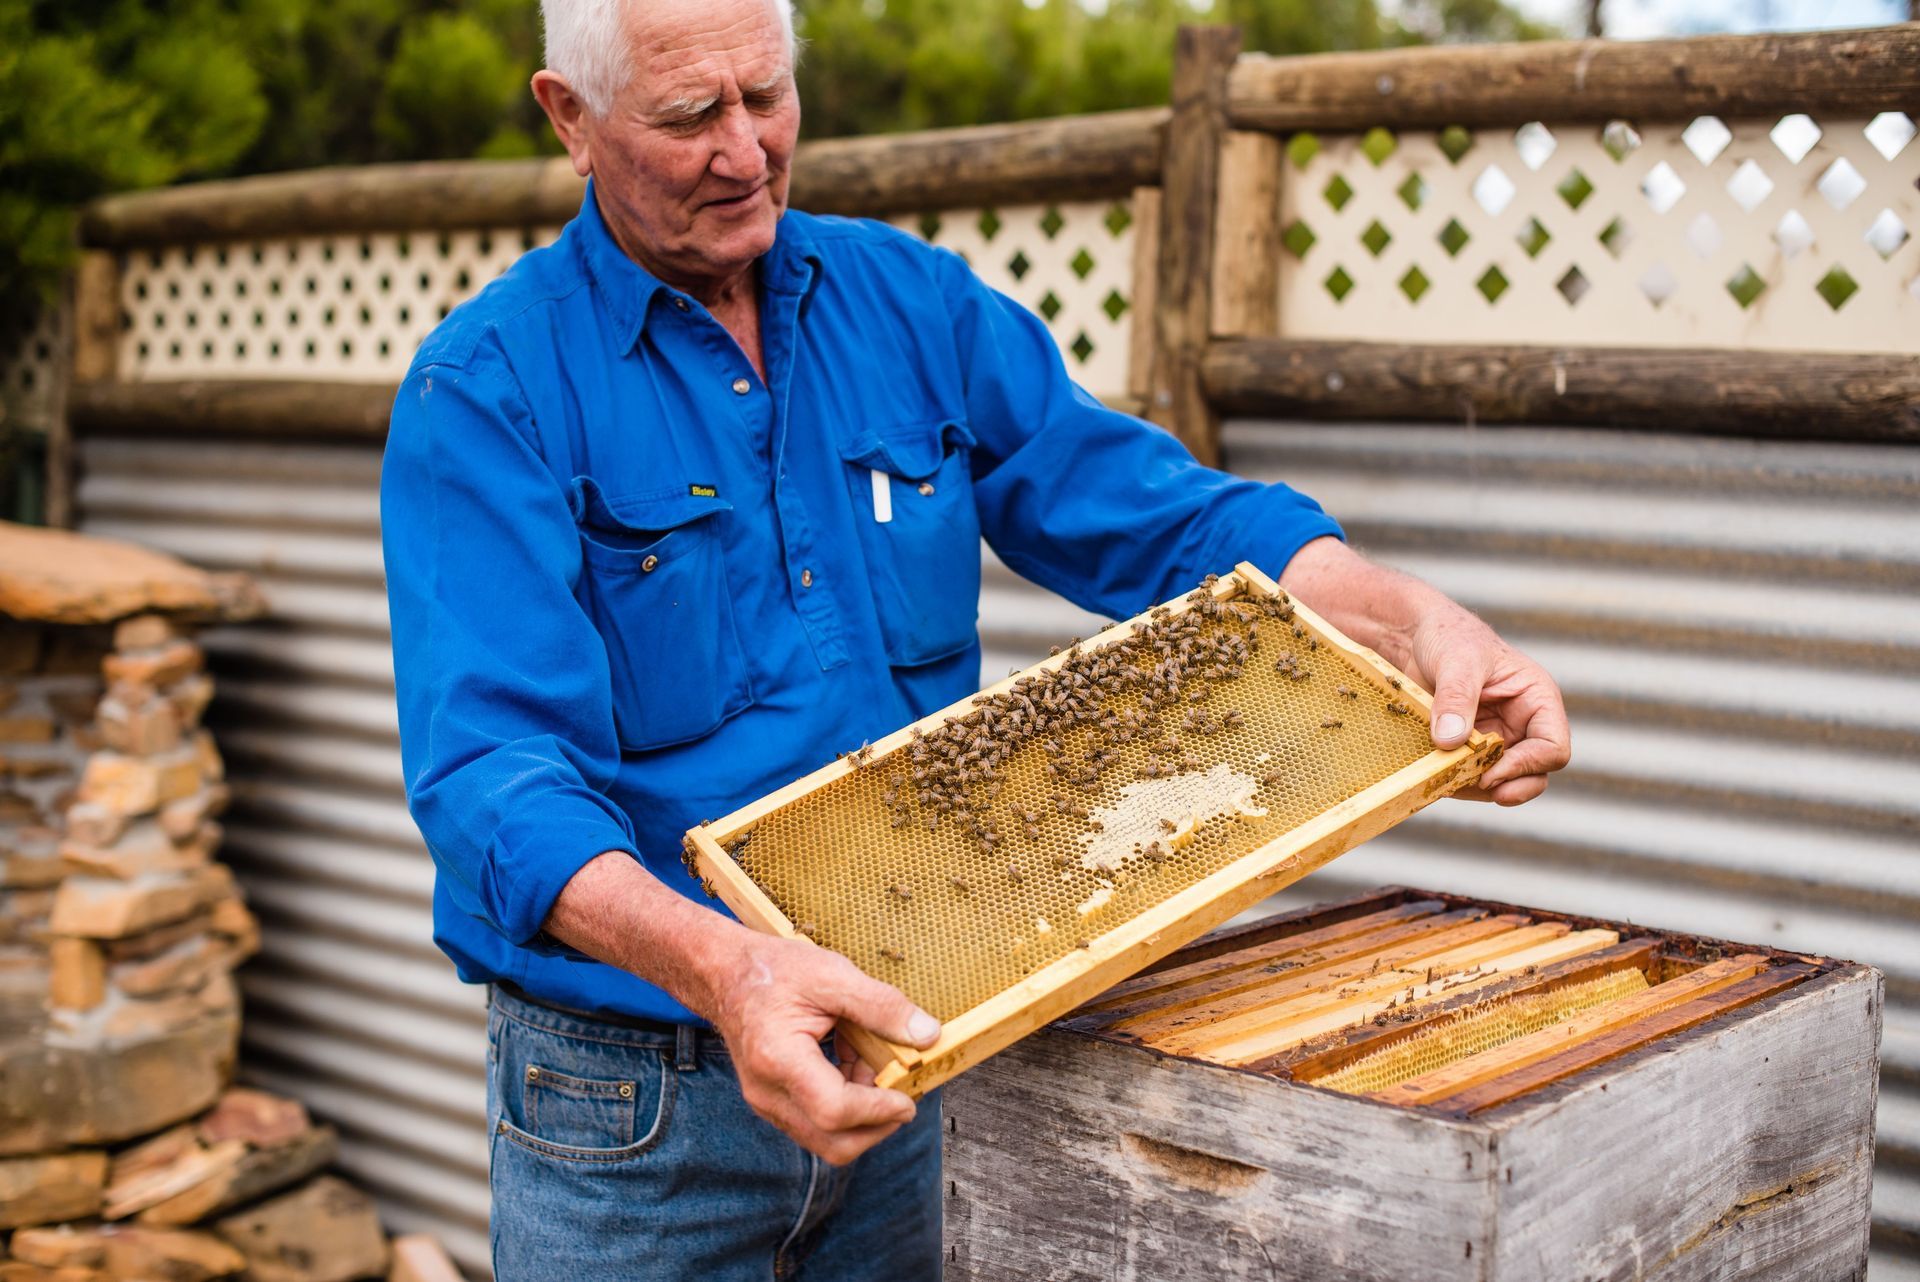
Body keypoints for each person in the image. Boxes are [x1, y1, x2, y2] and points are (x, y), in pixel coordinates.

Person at [378, 0, 1572, 1277]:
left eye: (767, 98)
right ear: (571, 118)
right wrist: (730, 972)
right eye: (689, 117)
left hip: (916, 1061)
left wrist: (1409, 618)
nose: (746, 150)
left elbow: (1157, 516)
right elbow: (492, 778)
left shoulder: (911, 305)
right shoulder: (485, 392)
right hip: (635, 1111)